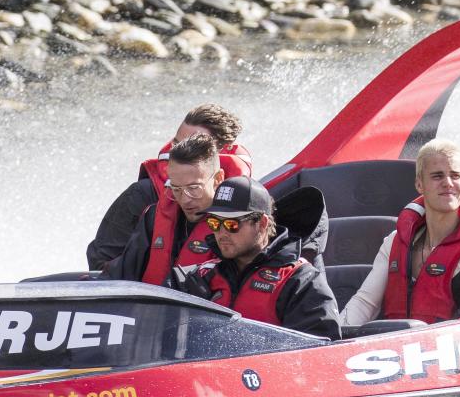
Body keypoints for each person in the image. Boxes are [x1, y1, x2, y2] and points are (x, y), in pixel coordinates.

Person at [341, 138, 460, 325]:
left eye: (455, 176)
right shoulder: (394, 242)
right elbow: (365, 303)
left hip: (447, 349)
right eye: (437, 176)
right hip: (391, 348)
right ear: (419, 184)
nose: (448, 183)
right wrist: (334, 341)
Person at [86, 104, 251, 270]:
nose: (180, 151)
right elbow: (100, 262)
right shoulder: (144, 195)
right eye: (177, 144)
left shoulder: (247, 205)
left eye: (194, 145)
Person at [178, 176, 342, 340]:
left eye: (231, 224)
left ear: (262, 223)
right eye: (214, 223)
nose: (221, 233)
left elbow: (316, 353)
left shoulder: (302, 282)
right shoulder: (199, 277)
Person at [101, 134, 228, 284]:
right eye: (176, 188)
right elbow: (122, 273)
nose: (185, 199)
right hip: (154, 306)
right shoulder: (153, 218)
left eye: (194, 188)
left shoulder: (235, 226)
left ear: (218, 179)